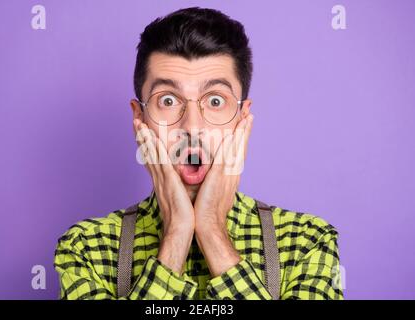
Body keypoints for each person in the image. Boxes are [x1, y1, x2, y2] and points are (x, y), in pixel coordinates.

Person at [54, 7, 343, 300]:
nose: (192, 126)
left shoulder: (307, 242)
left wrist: (211, 229)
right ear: (139, 119)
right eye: (167, 100)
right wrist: (176, 234)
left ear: (243, 117)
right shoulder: (86, 248)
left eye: (215, 100)